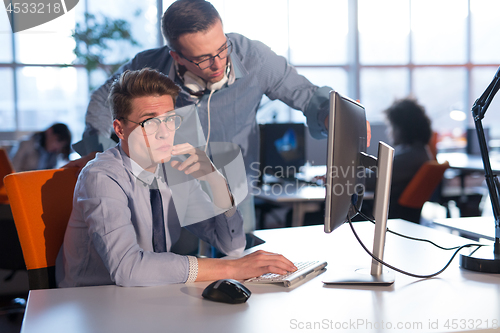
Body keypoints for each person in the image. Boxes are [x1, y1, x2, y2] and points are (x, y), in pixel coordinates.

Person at [67, 0, 337, 231]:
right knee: (176, 275)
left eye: (222, 48)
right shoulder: (148, 66)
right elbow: (103, 100)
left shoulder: (255, 58)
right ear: (177, 57)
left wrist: (333, 117)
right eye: (203, 59)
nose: (218, 64)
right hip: (172, 188)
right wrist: (96, 151)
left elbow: (306, 94)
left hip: (235, 188)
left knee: (239, 264)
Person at [56, 68, 296, 287]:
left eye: (170, 120)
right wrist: (232, 268)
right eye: (150, 122)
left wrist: (215, 181)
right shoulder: (102, 177)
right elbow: (128, 270)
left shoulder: (173, 170)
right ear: (120, 129)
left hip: (150, 297)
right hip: (93, 303)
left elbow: (232, 245)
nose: (164, 133)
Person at [365, 97, 433, 223]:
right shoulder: (418, 152)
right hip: (392, 215)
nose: (388, 132)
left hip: (384, 217)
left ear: (402, 128)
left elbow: (371, 180)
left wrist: (341, 176)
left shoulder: (411, 157)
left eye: (391, 127)